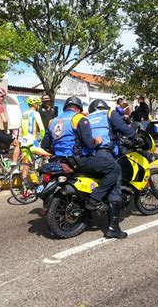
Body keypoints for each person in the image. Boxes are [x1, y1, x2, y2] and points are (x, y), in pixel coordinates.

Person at [41, 97, 127, 239]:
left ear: (65, 108)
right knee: (114, 169)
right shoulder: (78, 119)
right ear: (79, 108)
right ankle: (95, 199)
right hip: (79, 160)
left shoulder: (53, 121)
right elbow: (89, 143)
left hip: (60, 160)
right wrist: (97, 141)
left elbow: (45, 145)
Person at [86, 98, 137, 239]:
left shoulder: (87, 118)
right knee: (116, 182)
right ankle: (113, 228)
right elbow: (123, 128)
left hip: (88, 155)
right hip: (105, 152)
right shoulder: (109, 114)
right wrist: (135, 136)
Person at [19, 96, 51, 194]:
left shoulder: (24, 114)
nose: (38, 106)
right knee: (49, 156)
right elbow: (41, 129)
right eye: (37, 104)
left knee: (26, 165)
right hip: (32, 143)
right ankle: (44, 183)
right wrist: (41, 139)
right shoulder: (35, 113)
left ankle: (25, 189)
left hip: (24, 143)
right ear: (34, 104)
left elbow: (22, 129)